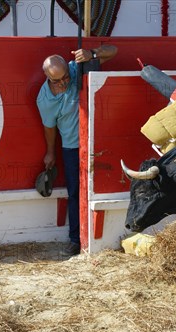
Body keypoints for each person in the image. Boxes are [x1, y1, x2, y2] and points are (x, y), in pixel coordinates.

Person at [36, 44, 118, 256]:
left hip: (96, 141)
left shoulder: (75, 68)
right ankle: (76, 238)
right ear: (47, 76)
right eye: (57, 81)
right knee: (74, 191)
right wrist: (50, 152)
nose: (64, 83)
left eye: (65, 78)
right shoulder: (44, 99)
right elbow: (49, 128)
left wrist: (92, 54)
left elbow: (114, 50)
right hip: (72, 147)